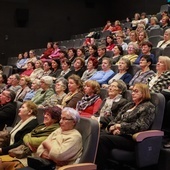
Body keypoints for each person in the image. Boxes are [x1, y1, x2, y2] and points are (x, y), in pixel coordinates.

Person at [95, 83, 156, 170]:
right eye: (132, 91)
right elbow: (115, 119)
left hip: (131, 138)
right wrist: (112, 127)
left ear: (143, 93)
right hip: (117, 134)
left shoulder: (148, 107)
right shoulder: (129, 105)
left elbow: (141, 126)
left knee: (102, 139)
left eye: (136, 91)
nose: (133, 93)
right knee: (95, 134)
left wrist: (121, 127)